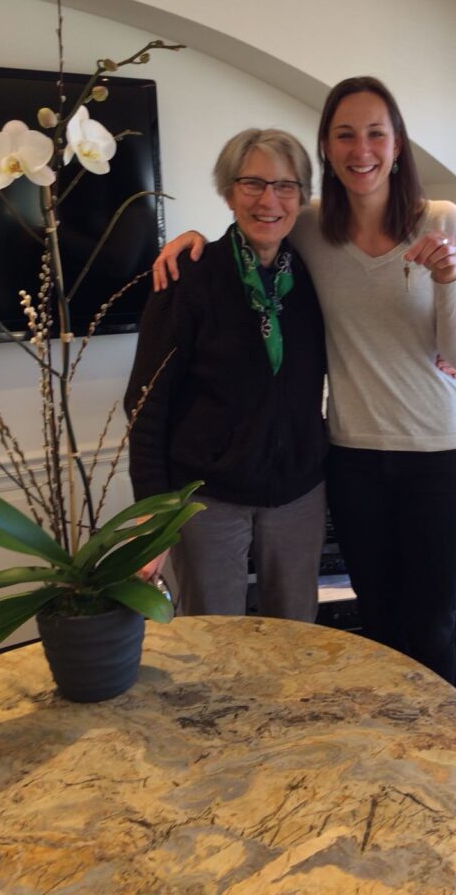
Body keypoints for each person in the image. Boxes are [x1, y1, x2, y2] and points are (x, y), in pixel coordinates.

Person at [153, 78, 456, 682]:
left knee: (432, 624)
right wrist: (189, 240)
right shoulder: (309, 226)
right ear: (327, 150)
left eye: (376, 133)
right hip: (352, 457)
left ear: (398, 143)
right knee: (377, 623)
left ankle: (432, 755)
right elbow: (254, 222)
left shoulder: (440, 219)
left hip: (440, 453)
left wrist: (448, 281)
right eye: (345, 135)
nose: (362, 150)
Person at [125, 128, 327, 621]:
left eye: (285, 186)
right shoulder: (188, 276)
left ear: (302, 197)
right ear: (228, 190)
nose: (269, 200)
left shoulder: (315, 275)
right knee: (213, 635)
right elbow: (146, 402)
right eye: (252, 183)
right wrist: (153, 514)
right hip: (208, 497)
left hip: (299, 492)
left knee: (297, 630)